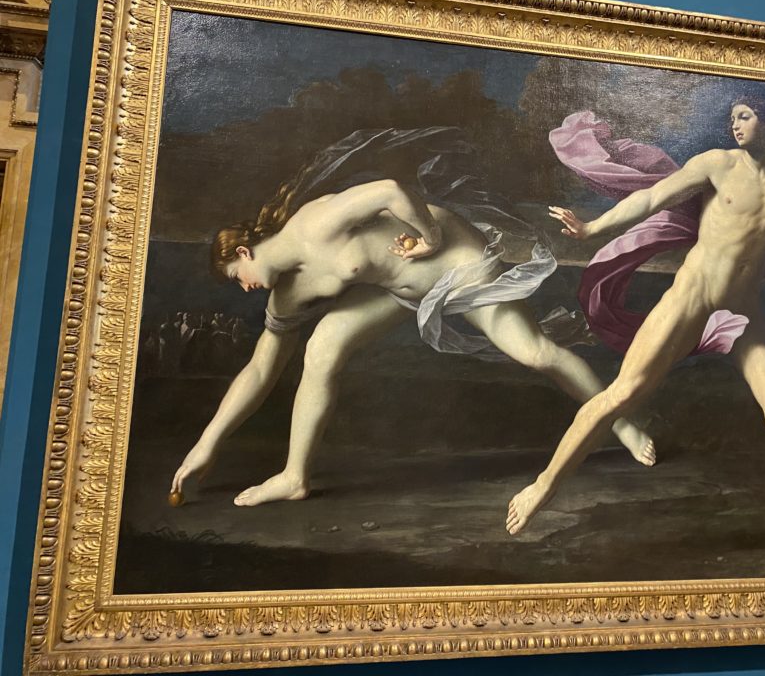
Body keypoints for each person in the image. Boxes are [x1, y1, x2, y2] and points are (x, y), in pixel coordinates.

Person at [169, 176, 655, 507]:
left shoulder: (314, 226)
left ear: (244, 252)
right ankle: (295, 476)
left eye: (237, 277)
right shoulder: (289, 294)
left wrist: (430, 238)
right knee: (321, 348)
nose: (245, 287)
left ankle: (619, 421)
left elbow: (389, 190)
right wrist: (206, 445)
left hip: (457, 264)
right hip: (401, 291)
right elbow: (261, 368)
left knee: (536, 353)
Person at [505, 99, 765, 576]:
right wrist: (592, 228)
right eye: (732, 117)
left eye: (744, 116)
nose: (735, 124)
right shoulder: (717, 164)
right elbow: (650, 199)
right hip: (690, 302)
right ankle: (544, 485)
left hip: (743, 313)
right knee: (622, 394)